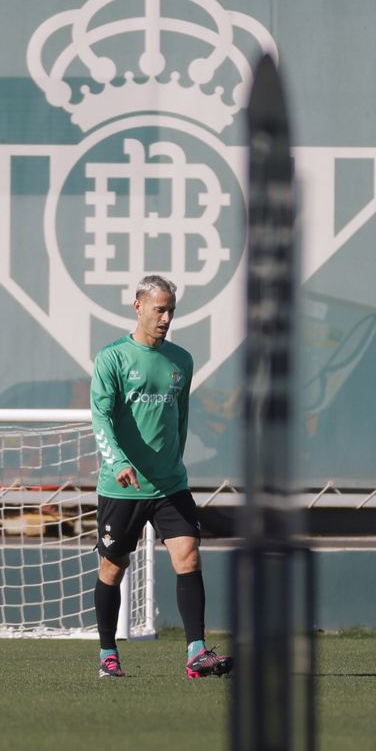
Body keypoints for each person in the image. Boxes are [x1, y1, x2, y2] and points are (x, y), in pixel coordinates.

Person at [90, 274, 233, 680]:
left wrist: (174, 464)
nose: (167, 318)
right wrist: (117, 463)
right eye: (160, 309)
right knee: (113, 568)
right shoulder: (112, 358)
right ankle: (107, 653)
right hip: (123, 486)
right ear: (138, 307)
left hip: (170, 484)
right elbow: (100, 416)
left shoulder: (181, 360)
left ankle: (196, 653)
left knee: (188, 554)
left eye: (171, 310)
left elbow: (180, 418)